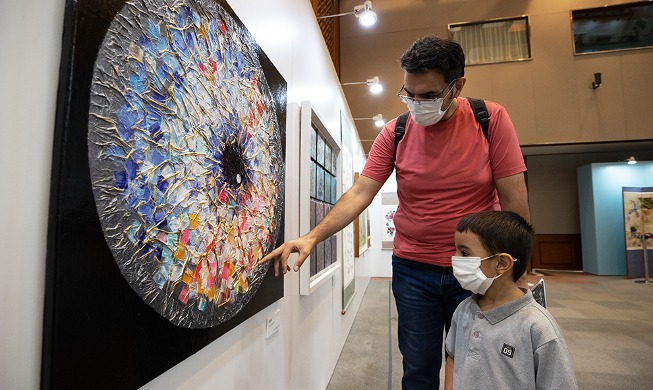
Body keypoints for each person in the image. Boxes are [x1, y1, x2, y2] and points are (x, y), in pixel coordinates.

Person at [259, 36, 529, 389]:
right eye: (409, 94)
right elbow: (361, 191)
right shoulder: (396, 132)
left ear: (457, 86)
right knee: (418, 368)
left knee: (477, 368)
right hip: (414, 269)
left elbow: (515, 204)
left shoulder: (489, 119)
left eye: (429, 96)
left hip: (477, 268)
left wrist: (518, 274)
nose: (417, 104)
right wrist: (311, 237)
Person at [444, 211, 578, 389]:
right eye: (456, 250)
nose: (455, 259)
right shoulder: (464, 310)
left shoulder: (538, 327)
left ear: (501, 264)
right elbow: (453, 356)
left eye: (465, 254)